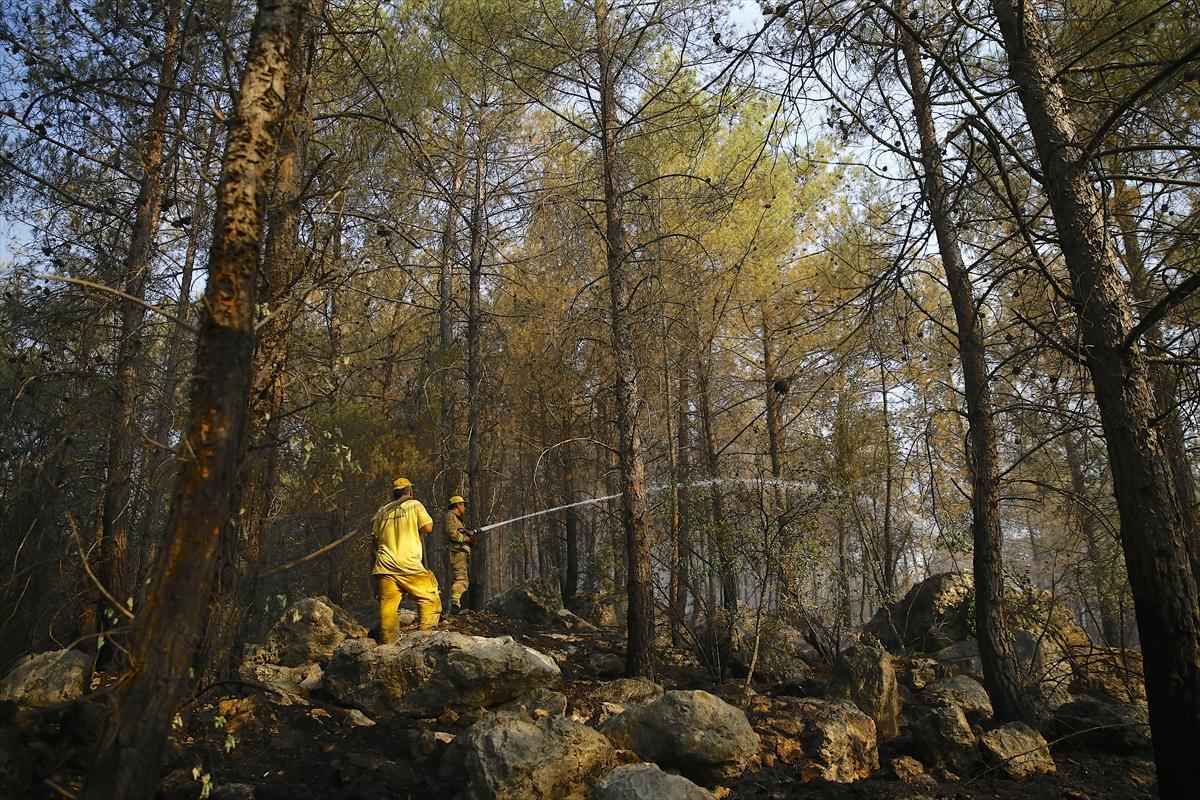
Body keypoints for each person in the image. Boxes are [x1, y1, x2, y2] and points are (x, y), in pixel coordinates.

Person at [371, 477, 441, 639]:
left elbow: (375, 536)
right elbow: (428, 527)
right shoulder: (414, 505)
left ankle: (388, 643)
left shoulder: (383, 511)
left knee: (388, 608)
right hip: (409, 564)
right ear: (410, 491)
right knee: (429, 598)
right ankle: (425, 639)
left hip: (385, 565)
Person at [444, 494, 477, 613]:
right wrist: (468, 538)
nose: (465, 508)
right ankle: (454, 604)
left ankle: (453, 604)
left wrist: (471, 538)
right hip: (456, 553)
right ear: (458, 505)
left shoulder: (458, 520)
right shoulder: (450, 516)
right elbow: (453, 534)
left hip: (460, 553)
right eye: (463, 505)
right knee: (461, 580)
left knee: (461, 580)